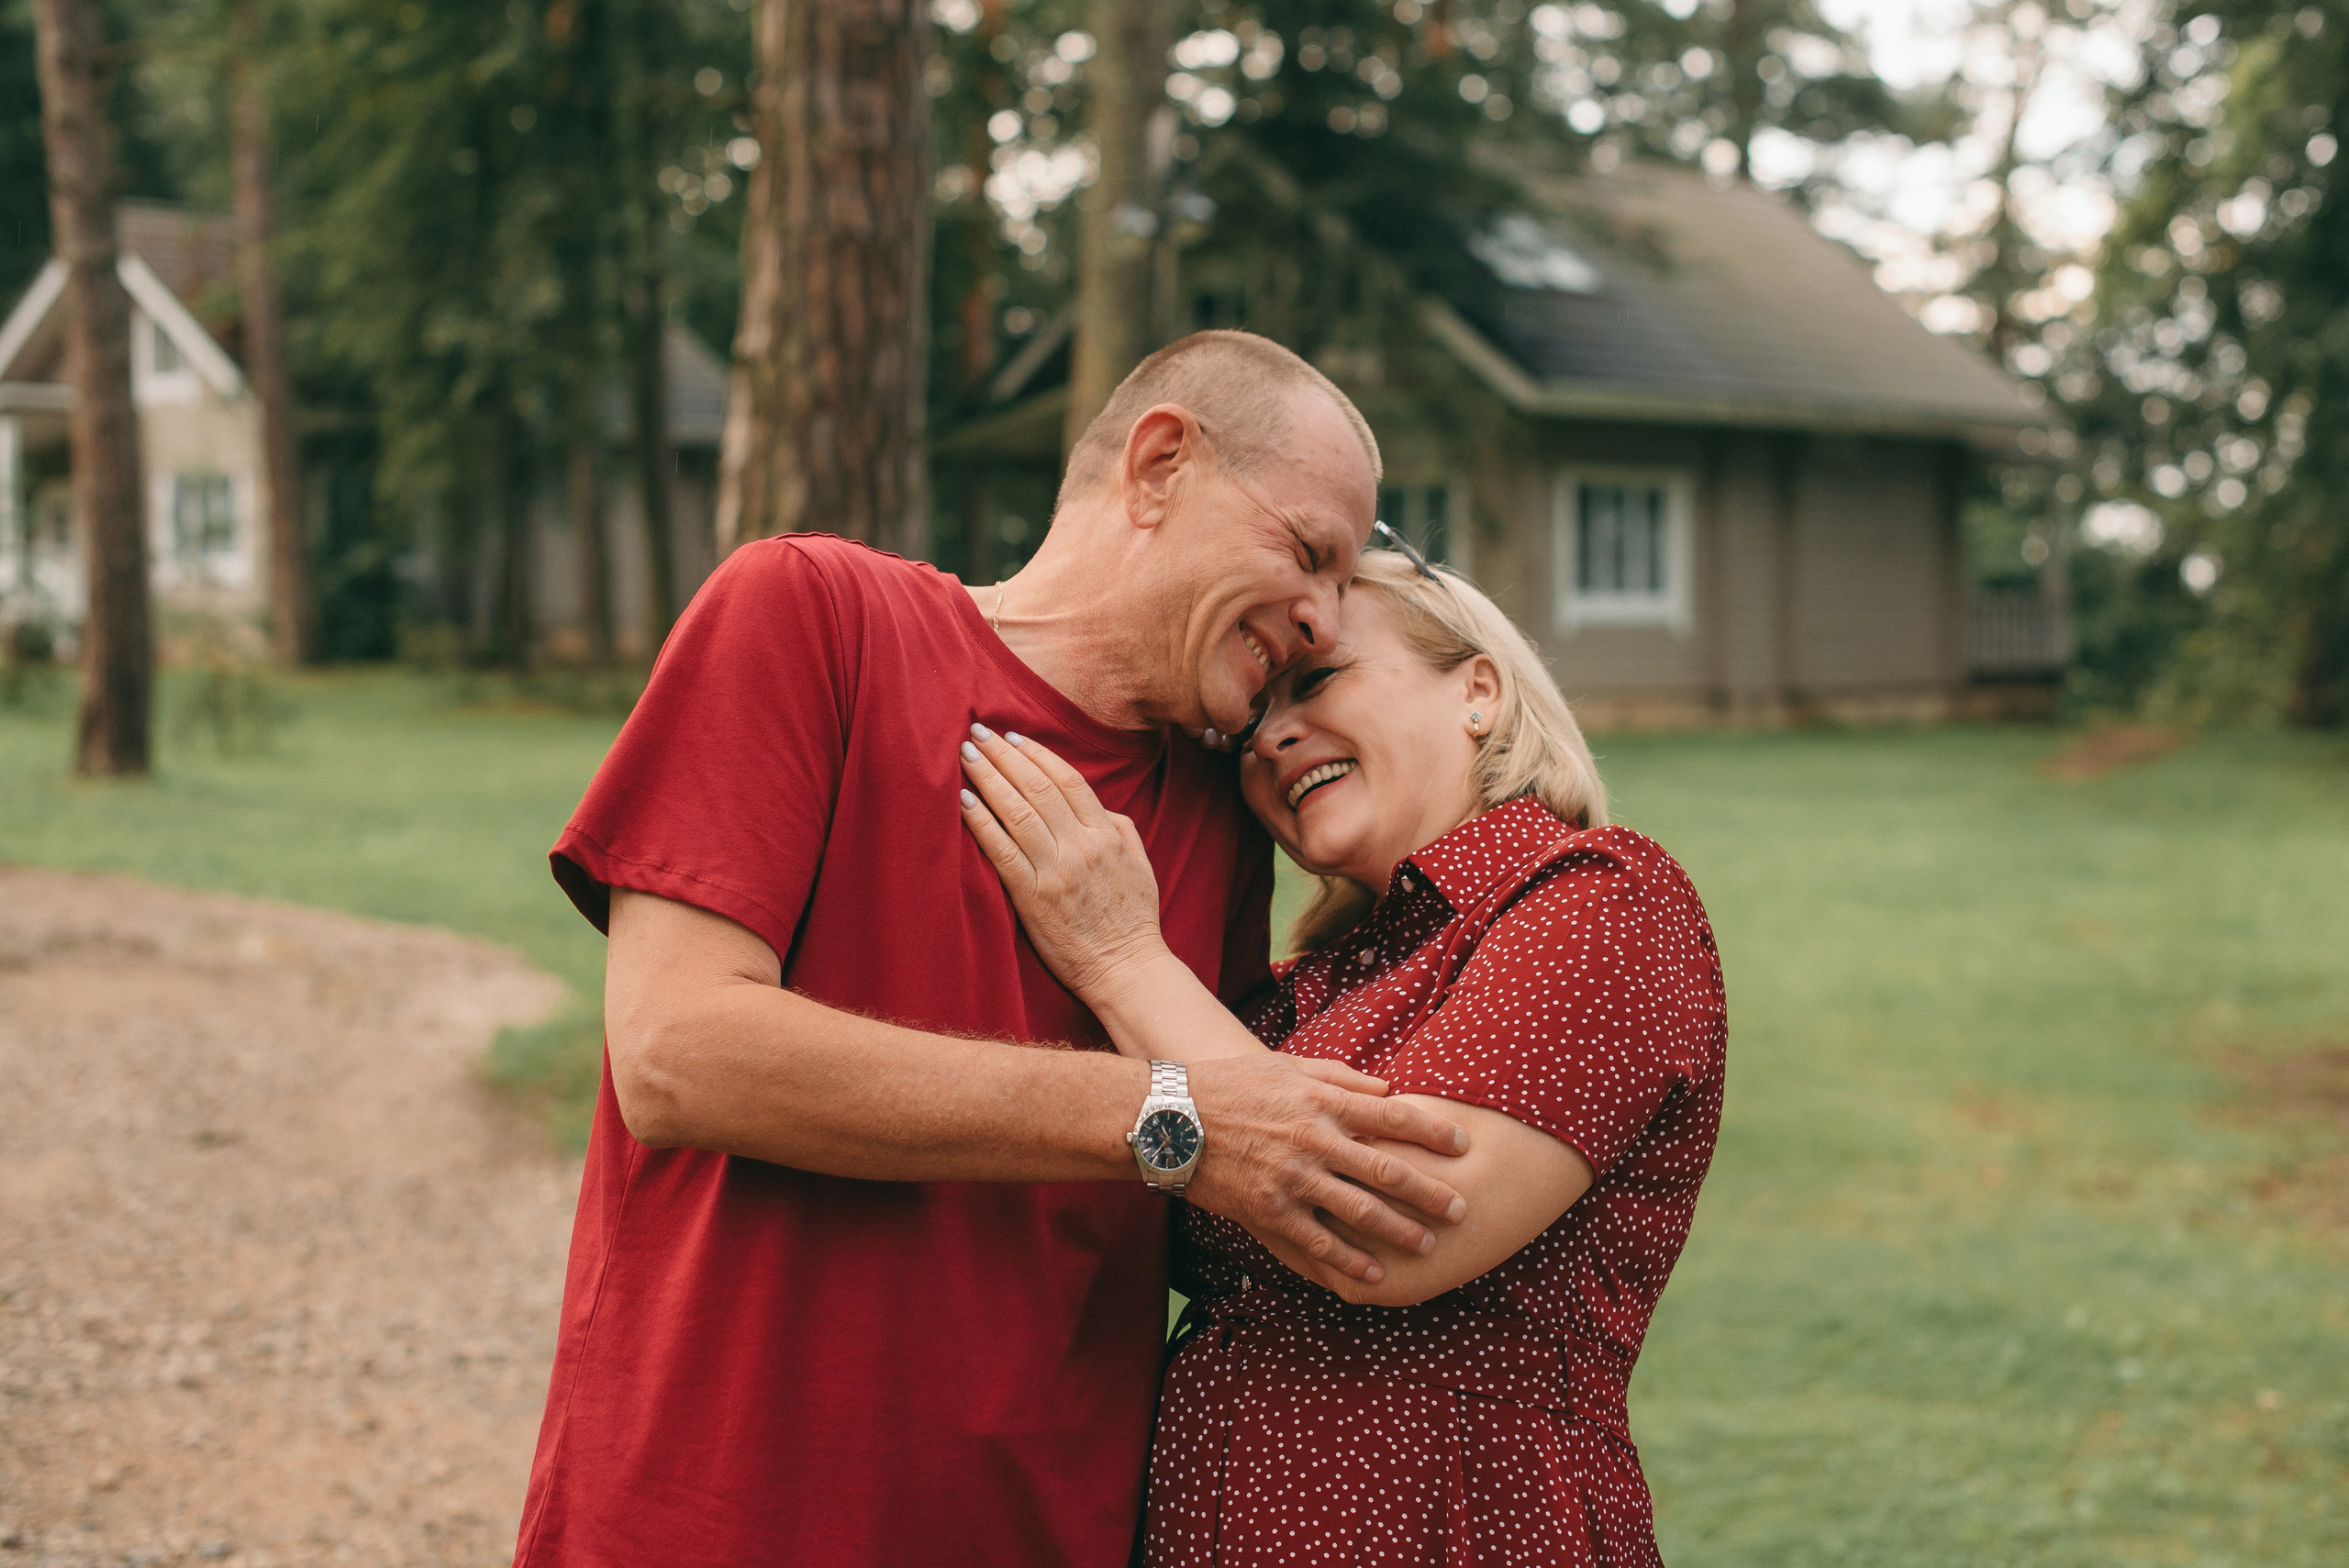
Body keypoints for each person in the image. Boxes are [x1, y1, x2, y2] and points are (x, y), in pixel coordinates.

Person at [511, 333, 1477, 1568]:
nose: (1323, 620)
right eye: (1310, 553)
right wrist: (1166, 1115)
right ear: (1161, 464)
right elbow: (677, 1055)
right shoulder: (812, 616)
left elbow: (1239, 1186)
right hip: (709, 1517)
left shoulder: (1221, 819)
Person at [956, 548, 1728, 1567]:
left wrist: (1117, 954)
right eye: (1247, 722)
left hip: (1460, 1528)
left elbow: (1395, 1225)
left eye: (1317, 680)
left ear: (1479, 691)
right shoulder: (1296, 991)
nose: (1271, 733)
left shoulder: (1602, 900)